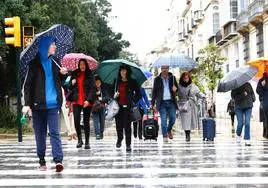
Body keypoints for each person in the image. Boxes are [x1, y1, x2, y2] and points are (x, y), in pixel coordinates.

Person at [22, 36, 68, 172]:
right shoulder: (34, 64)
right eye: (52, 45)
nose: (55, 47)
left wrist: (63, 74)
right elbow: (28, 86)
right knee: (40, 134)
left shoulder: (55, 61)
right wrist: (27, 104)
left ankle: (58, 160)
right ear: (45, 46)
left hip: (53, 105)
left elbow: (60, 81)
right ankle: (41, 159)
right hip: (38, 105)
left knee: (54, 132)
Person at [113, 65, 141, 152]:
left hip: (128, 107)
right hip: (118, 107)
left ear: (127, 71)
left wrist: (133, 101)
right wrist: (114, 95)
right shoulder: (116, 81)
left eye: (124, 70)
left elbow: (138, 94)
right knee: (119, 125)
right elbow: (110, 92)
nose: (123, 72)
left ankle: (128, 144)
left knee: (127, 126)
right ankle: (119, 138)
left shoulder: (132, 82)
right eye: (121, 71)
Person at [70, 59, 96, 149]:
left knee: (86, 121)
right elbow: (69, 87)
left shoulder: (90, 75)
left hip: (86, 101)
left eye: (84, 64)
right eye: (80, 64)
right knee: (76, 120)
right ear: (78, 65)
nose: (82, 66)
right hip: (77, 100)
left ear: (86, 65)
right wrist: (72, 83)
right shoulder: (74, 73)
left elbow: (93, 88)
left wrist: (88, 100)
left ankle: (87, 142)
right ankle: (80, 140)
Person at [151, 65, 178, 143]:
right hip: (162, 103)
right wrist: (152, 103)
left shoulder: (173, 78)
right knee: (163, 120)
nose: (165, 70)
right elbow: (154, 92)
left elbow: (177, 90)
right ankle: (165, 136)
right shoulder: (157, 79)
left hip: (171, 102)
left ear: (168, 69)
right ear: (161, 69)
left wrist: (175, 89)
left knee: (173, 118)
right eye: (163, 68)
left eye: (166, 68)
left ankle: (169, 129)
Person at [177, 72, 204, 142]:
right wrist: (174, 90)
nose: (186, 79)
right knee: (186, 122)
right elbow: (175, 94)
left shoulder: (192, 86)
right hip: (183, 105)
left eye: (187, 78)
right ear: (182, 79)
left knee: (190, 121)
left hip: (191, 105)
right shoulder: (178, 86)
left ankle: (188, 134)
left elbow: (198, 93)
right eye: (184, 78)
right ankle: (187, 135)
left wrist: (203, 96)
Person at [231, 82, 255, 146]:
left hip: (248, 106)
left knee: (247, 122)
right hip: (239, 107)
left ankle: (247, 139)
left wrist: (253, 99)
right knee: (240, 123)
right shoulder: (235, 86)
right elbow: (233, 97)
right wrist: (242, 95)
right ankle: (238, 135)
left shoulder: (248, 84)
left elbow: (252, 93)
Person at [256, 72, 268, 139]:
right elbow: (257, 90)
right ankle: (265, 133)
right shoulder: (261, 80)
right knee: (265, 118)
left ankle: (266, 133)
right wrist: (262, 86)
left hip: (264, 101)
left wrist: (265, 85)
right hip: (264, 102)